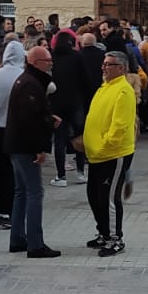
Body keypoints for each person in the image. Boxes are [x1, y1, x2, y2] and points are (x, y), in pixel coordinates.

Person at [6, 45, 60, 257]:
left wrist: (48, 119)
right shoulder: (31, 83)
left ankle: (18, 238)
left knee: (21, 192)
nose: (50, 64)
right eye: (47, 61)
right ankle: (35, 244)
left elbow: (34, 114)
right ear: (35, 62)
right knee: (35, 192)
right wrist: (39, 148)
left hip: (17, 144)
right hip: (25, 147)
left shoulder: (27, 80)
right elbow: (29, 121)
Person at [83, 50, 137, 255]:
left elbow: (120, 125)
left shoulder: (123, 91)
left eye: (109, 64)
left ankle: (115, 238)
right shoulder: (104, 87)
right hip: (96, 154)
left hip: (113, 154)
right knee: (94, 196)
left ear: (121, 68)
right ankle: (103, 233)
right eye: (104, 64)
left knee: (109, 198)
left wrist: (105, 144)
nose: (104, 67)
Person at [0, 39, 24, 230]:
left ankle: (2, 210)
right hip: (18, 127)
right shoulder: (24, 75)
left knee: (2, 169)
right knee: (19, 169)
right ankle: (16, 209)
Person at [49, 30, 87, 185]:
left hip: (56, 103)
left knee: (59, 140)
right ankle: (80, 172)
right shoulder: (77, 57)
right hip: (75, 102)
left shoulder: (52, 57)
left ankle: (61, 175)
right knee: (79, 136)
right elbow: (84, 78)